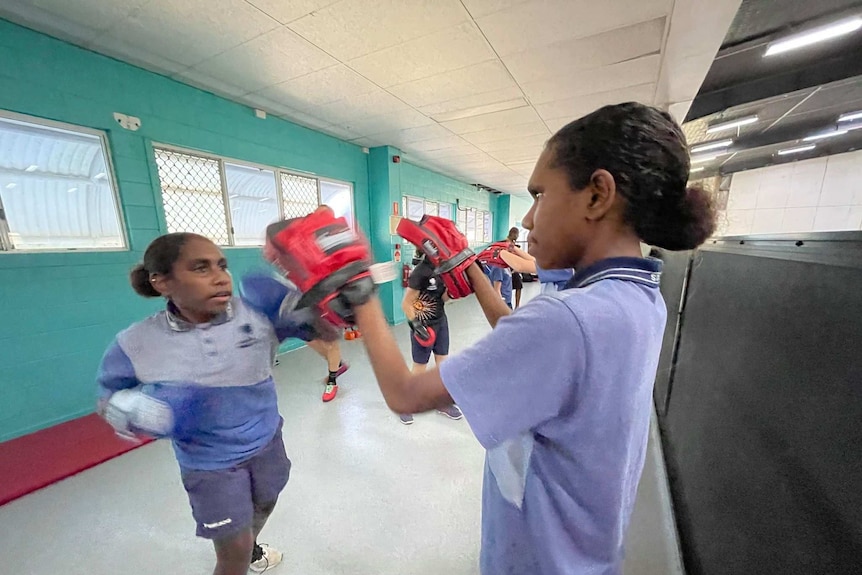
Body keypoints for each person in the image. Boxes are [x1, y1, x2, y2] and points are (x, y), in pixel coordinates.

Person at [269, 102, 715, 573]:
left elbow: (405, 394)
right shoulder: (637, 296)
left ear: (597, 195)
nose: (527, 220)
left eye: (540, 195)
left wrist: (359, 288)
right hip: (589, 547)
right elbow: (525, 337)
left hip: (538, 558)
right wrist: (470, 267)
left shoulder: (565, 320)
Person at [97, 233, 322, 575]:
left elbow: (323, 329)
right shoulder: (136, 342)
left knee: (265, 502)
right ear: (162, 282)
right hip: (209, 464)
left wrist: (327, 301)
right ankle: (243, 549)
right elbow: (108, 397)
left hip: (266, 442)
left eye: (222, 266)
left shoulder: (256, 313)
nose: (221, 277)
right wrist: (139, 410)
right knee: (233, 556)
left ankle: (248, 544)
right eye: (200, 268)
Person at [398, 251, 463, 425]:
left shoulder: (443, 269)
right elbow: (406, 303)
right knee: (420, 367)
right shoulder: (421, 271)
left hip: (441, 322)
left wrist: (453, 292)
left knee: (443, 363)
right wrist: (416, 325)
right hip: (423, 324)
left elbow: (441, 299)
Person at [499, 245, 574, 294]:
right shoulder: (559, 262)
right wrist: (514, 248)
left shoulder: (563, 267)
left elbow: (520, 266)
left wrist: (499, 252)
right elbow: (533, 260)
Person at [506, 227, 524, 308]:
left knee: (518, 285)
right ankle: (507, 303)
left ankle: (517, 305)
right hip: (507, 266)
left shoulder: (513, 242)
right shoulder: (507, 242)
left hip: (514, 267)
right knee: (506, 287)